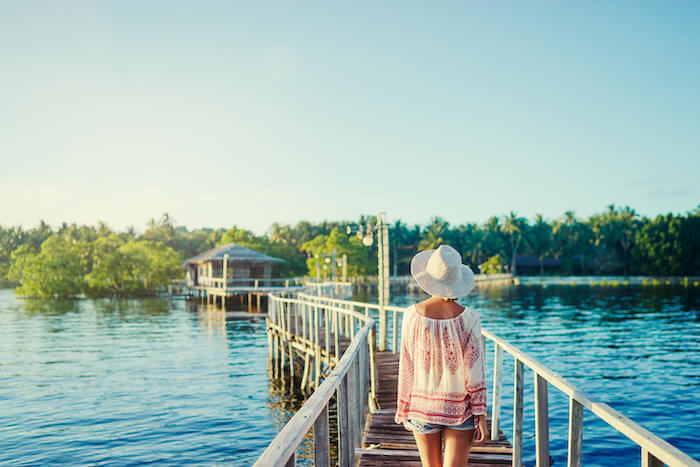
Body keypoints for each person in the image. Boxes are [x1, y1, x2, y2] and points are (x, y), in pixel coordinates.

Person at [395, 244, 488, 467]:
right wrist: (481, 413)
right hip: (459, 408)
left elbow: (406, 364)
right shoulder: (469, 318)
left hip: (421, 407)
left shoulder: (410, 315)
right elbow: (474, 370)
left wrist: (403, 407)